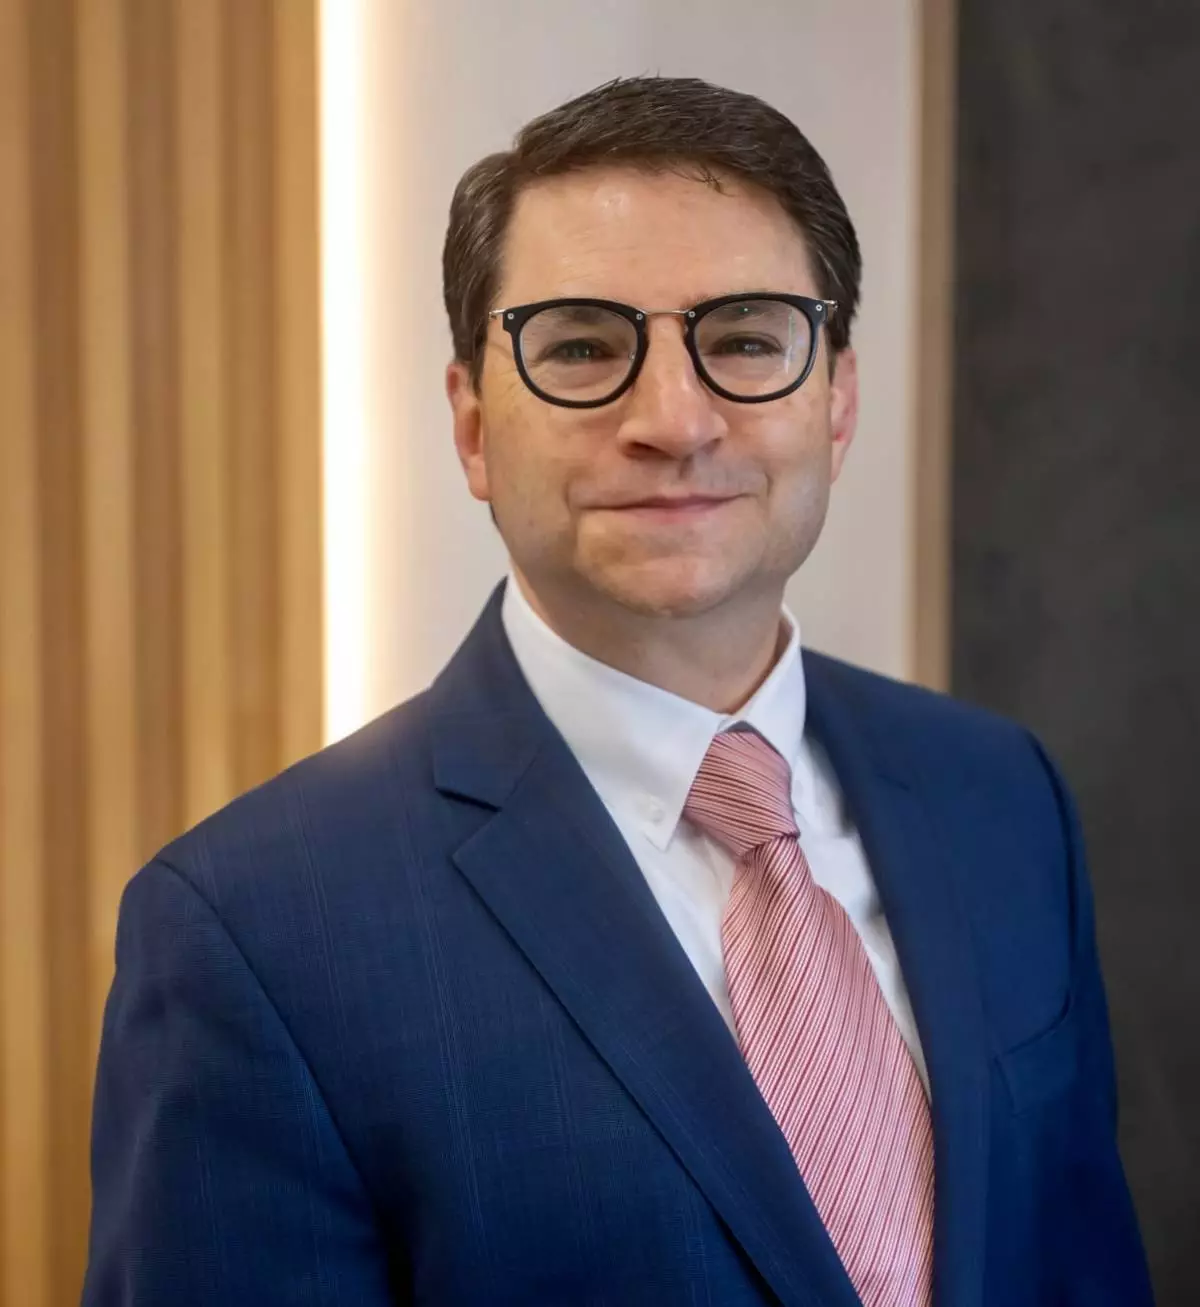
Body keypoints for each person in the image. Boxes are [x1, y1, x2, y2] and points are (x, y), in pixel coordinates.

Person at [83, 77, 1153, 1306]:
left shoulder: (1002, 796)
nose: (674, 420)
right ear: (472, 425)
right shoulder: (255, 930)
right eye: (584, 348)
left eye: (744, 340)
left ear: (838, 401)